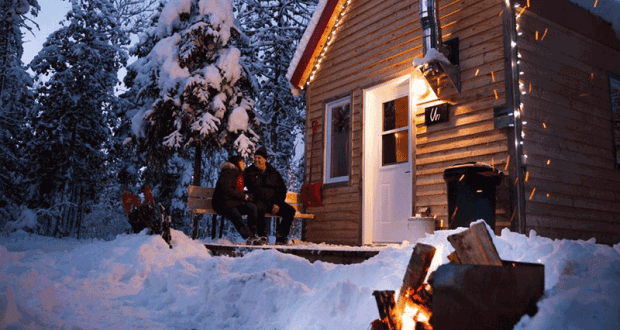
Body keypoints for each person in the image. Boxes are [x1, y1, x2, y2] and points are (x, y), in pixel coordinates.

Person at [244, 147, 296, 245]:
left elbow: (282, 189)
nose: (256, 160)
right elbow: (239, 184)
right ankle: (262, 236)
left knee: (290, 211)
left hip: (273, 202)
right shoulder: (249, 172)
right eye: (255, 157)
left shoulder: (273, 173)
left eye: (259, 157)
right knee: (258, 208)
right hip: (258, 201)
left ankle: (281, 236)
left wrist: (277, 203)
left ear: (264, 159)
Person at [212, 155, 259, 244]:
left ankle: (252, 236)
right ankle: (249, 238)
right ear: (237, 163)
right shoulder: (228, 172)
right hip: (223, 203)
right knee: (236, 216)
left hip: (234, 202)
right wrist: (244, 196)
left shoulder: (238, 173)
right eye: (242, 162)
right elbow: (226, 189)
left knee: (252, 207)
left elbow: (238, 188)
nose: (244, 164)